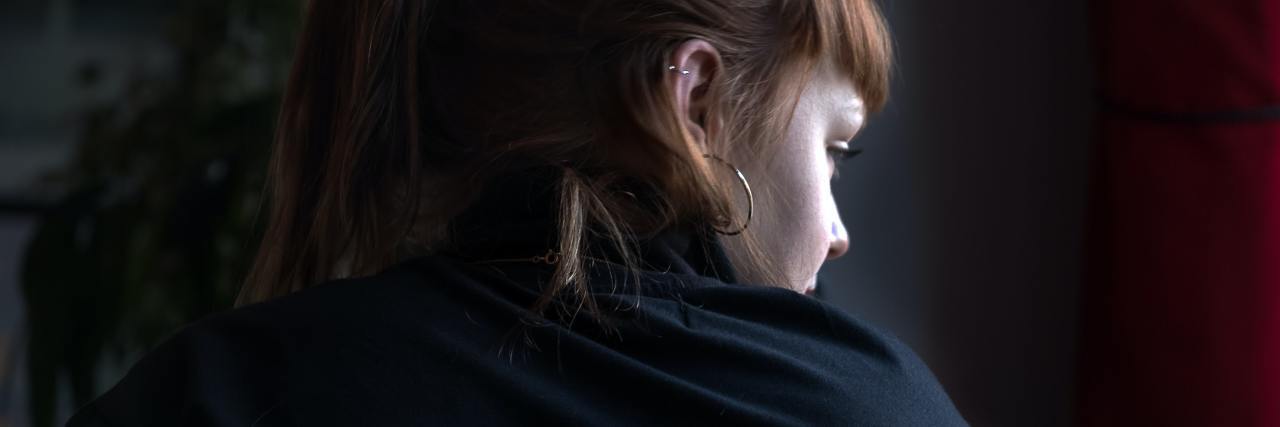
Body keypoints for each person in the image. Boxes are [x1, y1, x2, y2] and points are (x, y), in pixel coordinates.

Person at [67, 0, 966, 425]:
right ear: (697, 105)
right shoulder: (871, 408)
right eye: (834, 148)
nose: (841, 230)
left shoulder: (220, 387)